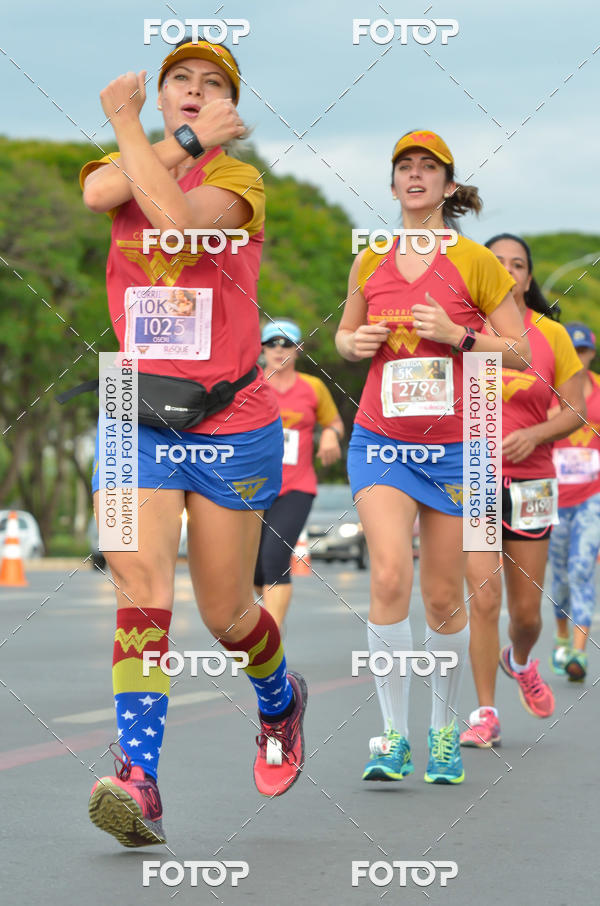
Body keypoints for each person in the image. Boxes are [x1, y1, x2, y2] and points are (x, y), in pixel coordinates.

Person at [80, 37, 307, 848]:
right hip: (132, 404)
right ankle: (138, 779)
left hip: (230, 416)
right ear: (164, 93)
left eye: (213, 83)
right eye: (181, 78)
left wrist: (146, 129)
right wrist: (143, 132)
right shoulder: (126, 161)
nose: (194, 89)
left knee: (227, 613)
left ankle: (279, 699)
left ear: (231, 107)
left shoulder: (240, 182)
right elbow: (102, 190)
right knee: (140, 587)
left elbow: (174, 218)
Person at [336, 130, 531, 784]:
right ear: (393, 184)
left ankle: (444, 731)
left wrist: (459, 336)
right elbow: (344, 336)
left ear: (448, 186)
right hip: (382, 442)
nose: (415, 176)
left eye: (428, 168)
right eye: (405, 167)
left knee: (445, 597)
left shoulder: (475, 261)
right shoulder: (370, 258)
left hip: (458, 450)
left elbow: (522, 352)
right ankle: (393, 737)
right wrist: (354, 343)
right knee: (390, 575)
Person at [460, 235, 585, 749]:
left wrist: (534, 435)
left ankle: (520, 659)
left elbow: (575, 411)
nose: (508, 271)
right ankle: (485, 713)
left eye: (518, 265)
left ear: (528, 279)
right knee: (484, 599)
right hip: (475, 478)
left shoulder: (551, 335)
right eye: (497, 263)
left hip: (533, 482)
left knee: (527, 615)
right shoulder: (462, 331)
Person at [254, 319, 344, 628]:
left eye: (286, 344)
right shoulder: (250, 384)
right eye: (272, 343)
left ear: (298, 349)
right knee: (254, 569)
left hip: (296, 487)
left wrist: (330, 434)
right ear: (262, 348)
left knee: (274, 558)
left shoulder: (312, 387)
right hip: (251, 487)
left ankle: (273, 637)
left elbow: (334, 422)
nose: (279, 350)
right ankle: (266, 626)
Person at [548, 322, 600, 682]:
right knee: (561, 577)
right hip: (552, 498)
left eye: (583, 351)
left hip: (591, 497)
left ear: (592, 353)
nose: (578, 358)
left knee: (582, 569)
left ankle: (579, 653)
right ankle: (562, 637)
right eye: (572, 351)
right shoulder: (546, 389)